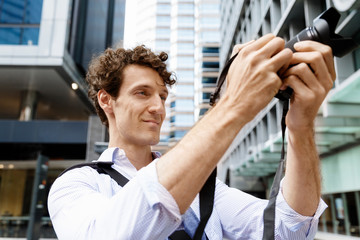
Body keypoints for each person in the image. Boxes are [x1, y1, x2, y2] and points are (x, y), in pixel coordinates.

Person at [48, 33, 335, 239]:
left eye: (162, 96)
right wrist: (233, 104)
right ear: (106, 100)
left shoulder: (204, 188)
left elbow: (288, 230)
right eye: (142, 93)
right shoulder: (76, 185)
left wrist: (301, 126)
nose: (158, 107)